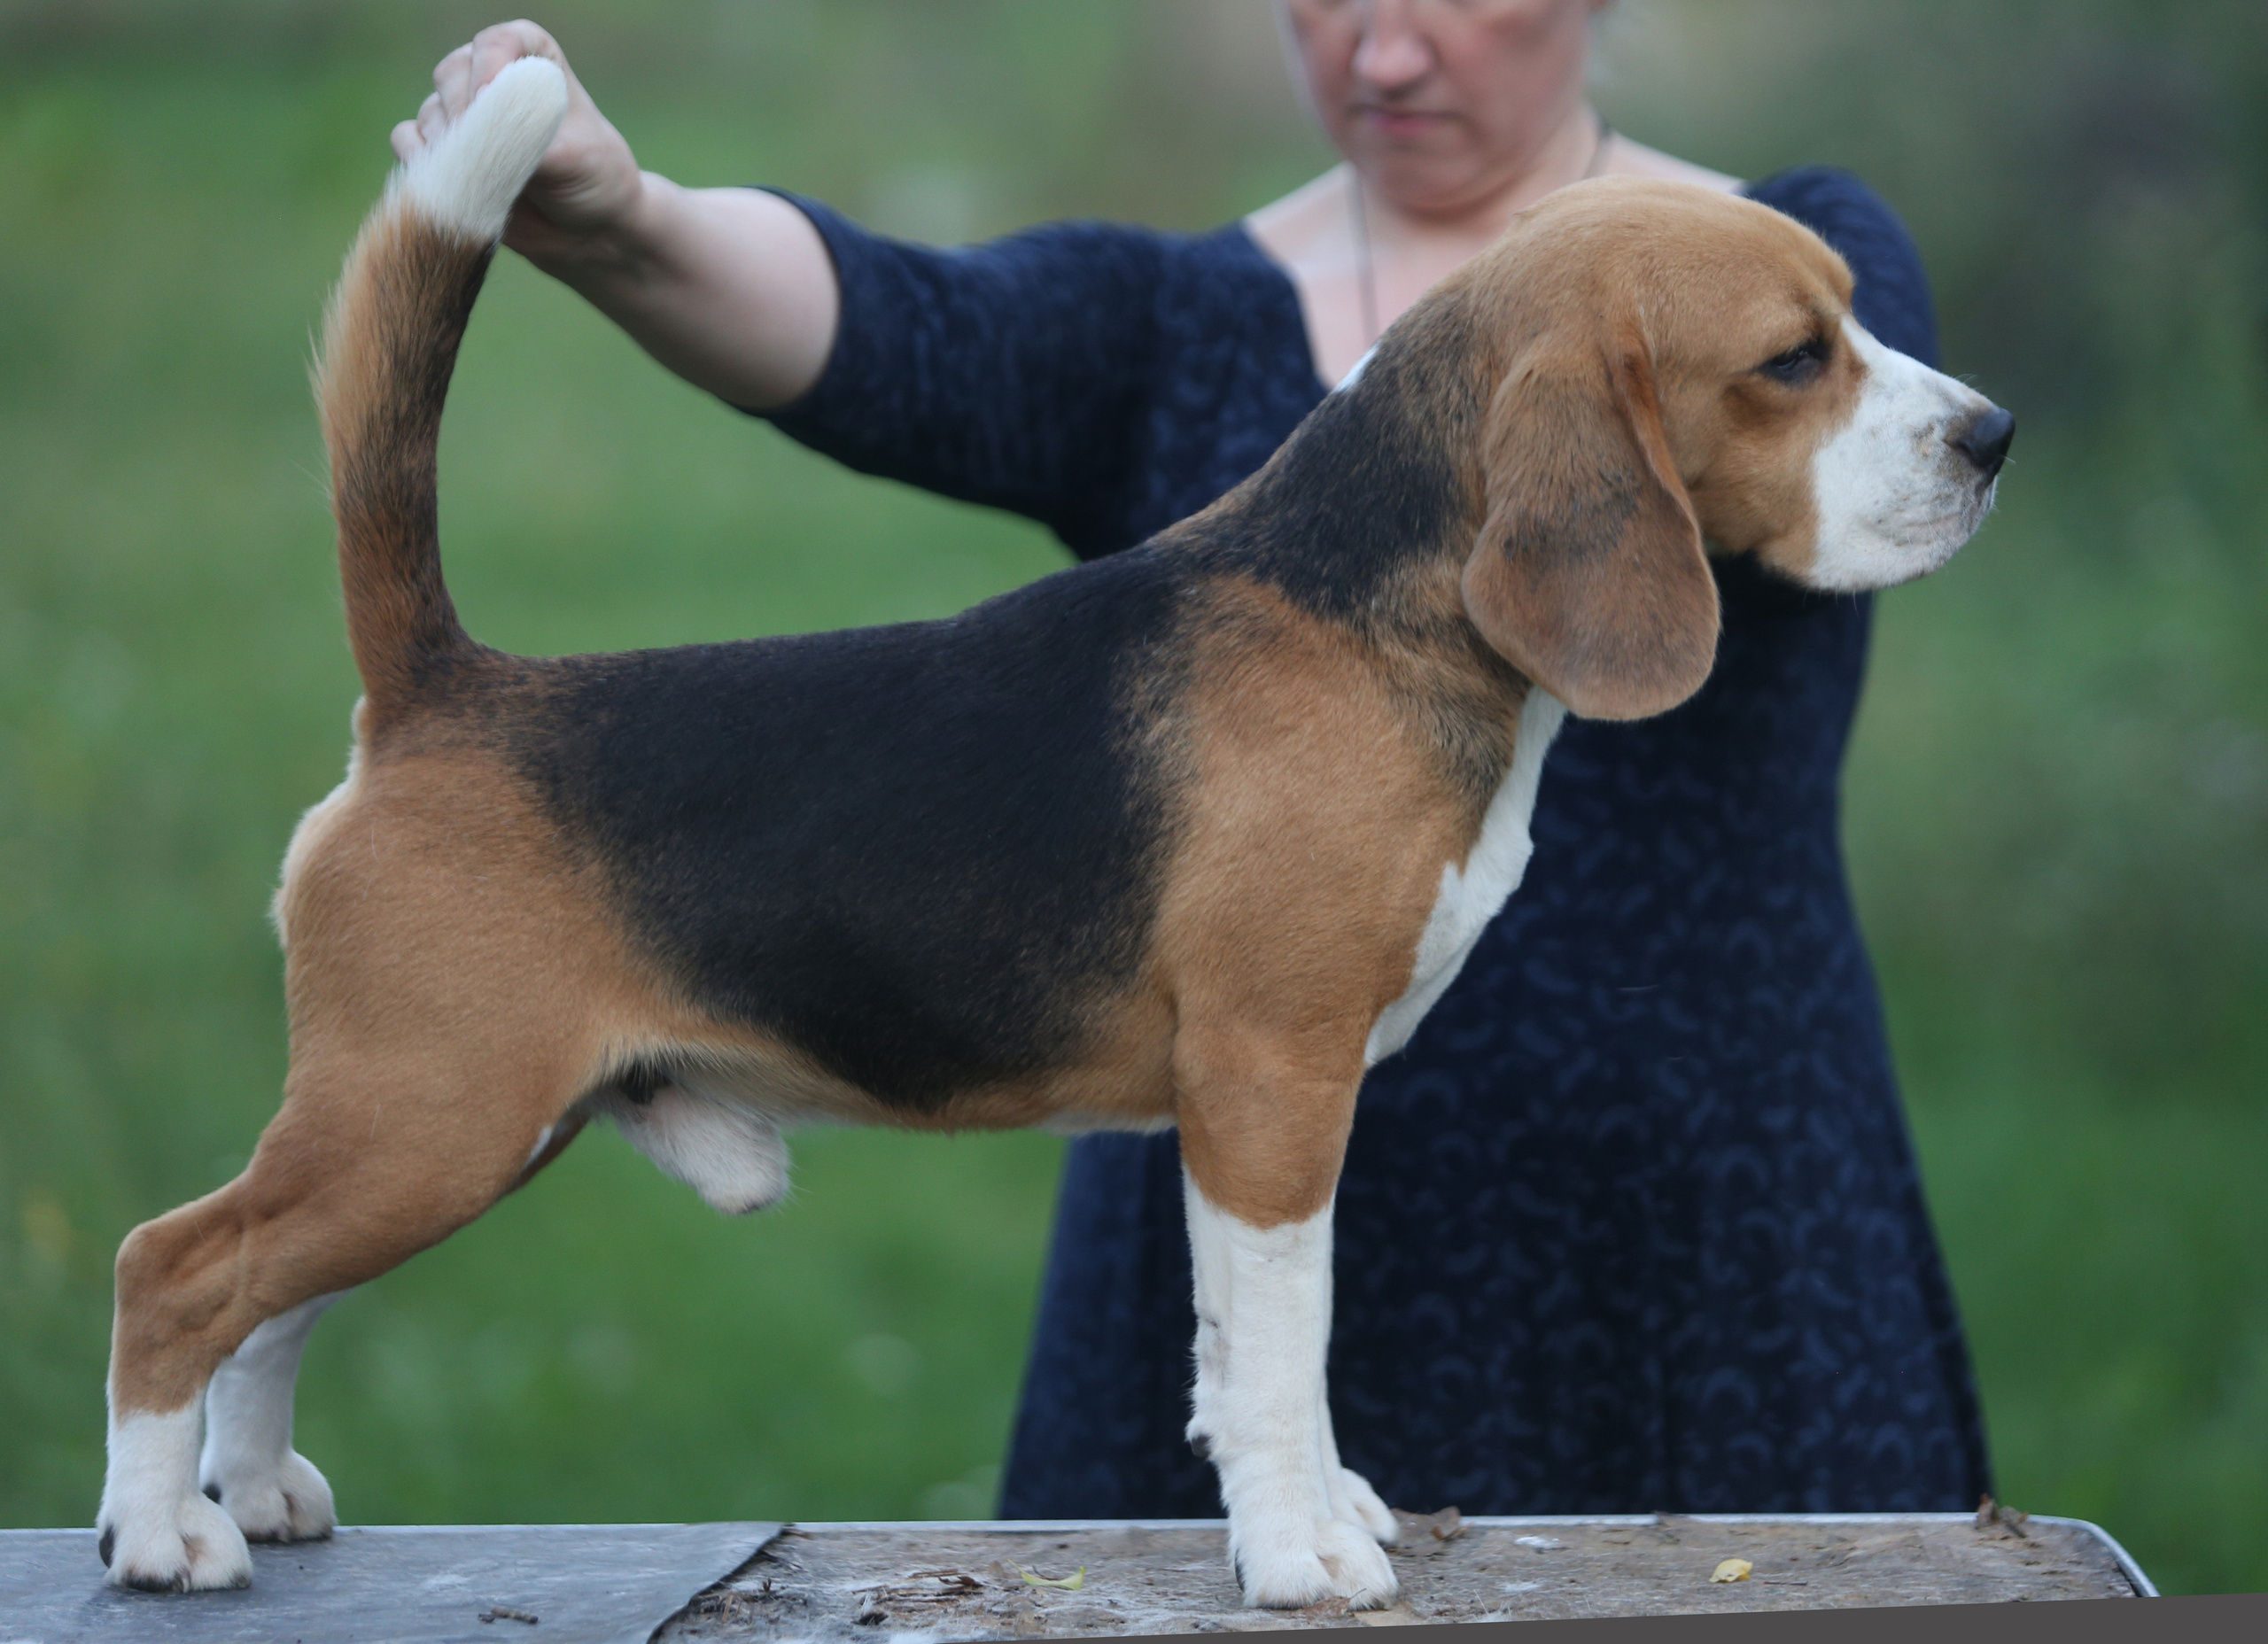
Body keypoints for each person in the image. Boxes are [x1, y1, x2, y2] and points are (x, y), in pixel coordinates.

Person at [395, 1, 1991, 1517]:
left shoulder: (1785, 268)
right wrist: (630, 216)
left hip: (1717, 1265)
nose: (1380, 46)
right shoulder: (1174, 316)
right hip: (1231, 1252)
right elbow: (894, 324)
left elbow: (1873, 458)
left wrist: (1677, 346)